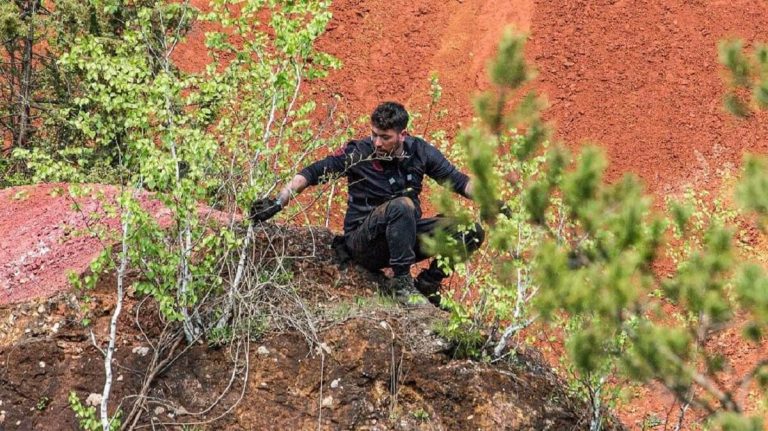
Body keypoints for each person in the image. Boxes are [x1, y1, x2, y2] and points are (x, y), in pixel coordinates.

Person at [250, 101, 484, 307]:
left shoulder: (419, 151)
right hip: (364, 243)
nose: (377, 142)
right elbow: (313, 172)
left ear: (403, 134)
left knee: (471, 230)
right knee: (403, 205)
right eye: (374, 134)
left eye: (385, 137)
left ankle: (427, 284)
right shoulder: (359, 153)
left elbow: (459, 181)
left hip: (402, 239)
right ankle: (401, 286)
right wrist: (279, 202)